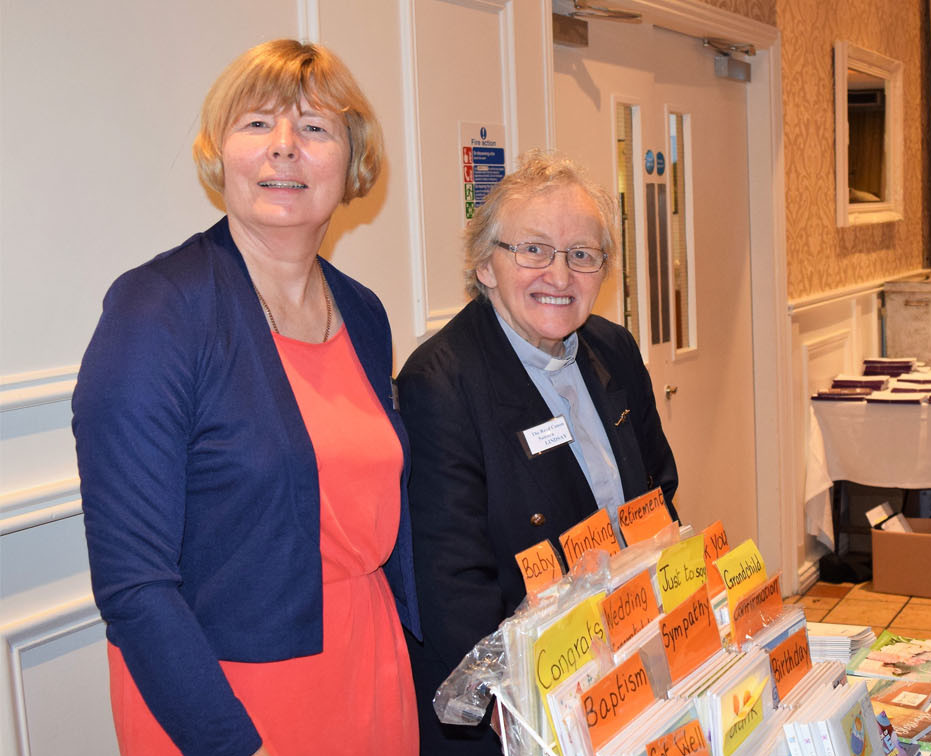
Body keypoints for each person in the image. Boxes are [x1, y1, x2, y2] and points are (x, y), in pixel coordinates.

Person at [73, 40, 419, 756]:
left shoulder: (363, 311)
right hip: (224, 701)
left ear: (352, 162)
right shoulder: (157, 311)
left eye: (315, 128)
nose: (284, 149)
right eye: (257, 124)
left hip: (367, 668)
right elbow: (134, 586)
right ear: (219, 153)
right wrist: (230, 743)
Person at [398, 150, 679, 754]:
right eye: (533, 250)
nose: (560, 275)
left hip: (625, 661)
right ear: (485, 265)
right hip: (521, 705)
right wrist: (525, 711)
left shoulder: (614, 348)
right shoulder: (441, 381)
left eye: (582, 255)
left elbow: (658, 488)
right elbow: (452, 585)